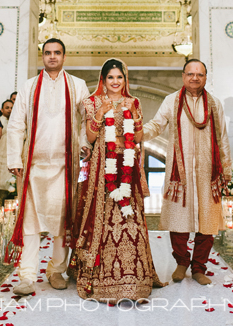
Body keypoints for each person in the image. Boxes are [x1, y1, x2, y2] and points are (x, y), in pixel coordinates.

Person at [71, 58, 163, 301]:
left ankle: (134, 277)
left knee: (130, 216)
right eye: (110, 77)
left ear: (125, 79)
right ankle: (102, 277)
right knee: (102, 218)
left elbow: (140, 135)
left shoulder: (134, 102)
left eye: (119, 77)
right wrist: (100, 114)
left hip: (128, 165)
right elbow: (90, 138)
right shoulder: (92, 102)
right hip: (103, 166)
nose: (115, 82)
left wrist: (135, 117)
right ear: (103, 79)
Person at [7, 38, 91, 295]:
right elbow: (16, 123)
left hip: (65, 166)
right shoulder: (30, 86)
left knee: (61, 222)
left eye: (57, 53)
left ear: (65, 57)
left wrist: (85, 143)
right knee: (30, 222)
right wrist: (14, 158)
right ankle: (27, 275)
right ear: (42, 56)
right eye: (48, 53)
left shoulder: (77, 85)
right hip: (33, 164)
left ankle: (56, 270)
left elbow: (87, 120)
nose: (52, 57)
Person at [142, 59, 231, 286]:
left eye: (199, 74)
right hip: (179, 175)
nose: (194, 78)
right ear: (183, 76)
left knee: (207, 221)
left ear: (205, 78)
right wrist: (138, 134)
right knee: (178, 219)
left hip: (207, 173)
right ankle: (182, 263)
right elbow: (156, 125)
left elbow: (222, 138)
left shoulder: (214, 104)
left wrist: (226, 170)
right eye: (190, 74)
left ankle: (199, 267)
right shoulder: (171, 101)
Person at [0, 99, 13, 197]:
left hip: (12, 156)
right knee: (1, 185)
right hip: (1, 155)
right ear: (2, 110)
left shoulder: (17, 121)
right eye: (7, 108)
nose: (10, 110)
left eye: (12, 108)